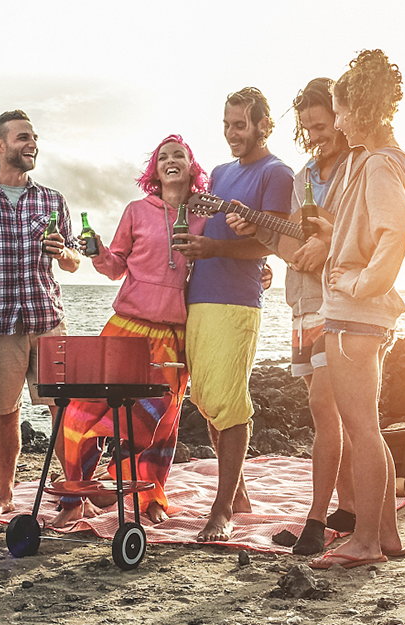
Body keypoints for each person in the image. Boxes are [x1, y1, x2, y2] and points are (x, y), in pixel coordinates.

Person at [49, 135, 211, 528]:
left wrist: (260, 271)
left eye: (179, 156)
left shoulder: (207, 214)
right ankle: (77, 495)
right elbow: (115, 267)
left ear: (192, 168)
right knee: (79, 412)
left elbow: (222, 263)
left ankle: (148, 498)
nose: (171, 161)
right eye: (163, 157)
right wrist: (98, 252)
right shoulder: (137, 211)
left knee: (156, 424)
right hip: (125, 328)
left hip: (173, 335)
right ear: (154, 171)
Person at [306, 50, 405, 570]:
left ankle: (366, 543)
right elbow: (374, 228)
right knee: (368, 427)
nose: (339, 122)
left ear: (361, 109)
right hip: (364, 314)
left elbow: (395, 233)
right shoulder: (391, 161)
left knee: (361, 432)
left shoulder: (376, 163)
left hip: (356, 314)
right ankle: (389, 537)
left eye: (342, 111)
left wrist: (357, 280)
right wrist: (340, 244)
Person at [228, 77, 355, 555]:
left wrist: (327, 244)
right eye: (308, 129)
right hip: (302, 305)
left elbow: (360, 235)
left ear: (341, 120)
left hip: (341, 304)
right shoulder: (303, 177)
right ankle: (348, 507)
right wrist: (256, 230)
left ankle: (317, 521)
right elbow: (289, 247)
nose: (316, 136)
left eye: (322, 126)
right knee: (328, 413)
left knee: (327, 410)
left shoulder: (356, 171)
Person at [173, 88, 294, 542]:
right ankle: (238, 491)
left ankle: (221, 509)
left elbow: (270, 243)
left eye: (240, 124)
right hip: (198, 296)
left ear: (263, 124)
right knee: (206, 397)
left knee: (230, 401)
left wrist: (217, 249)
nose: (231, 133)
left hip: (237, 301)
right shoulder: (220, 173)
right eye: (226, 124)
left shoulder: (276, 173)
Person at [0, 110, 82, 516]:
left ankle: (73, 496)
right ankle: (6, 494)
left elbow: (74, 260)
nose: (32, 144)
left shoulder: (52, 200)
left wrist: (63, 251)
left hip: (47, 318)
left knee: (60, 410)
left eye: (33, 138)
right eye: (23, 138)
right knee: (5, 412)